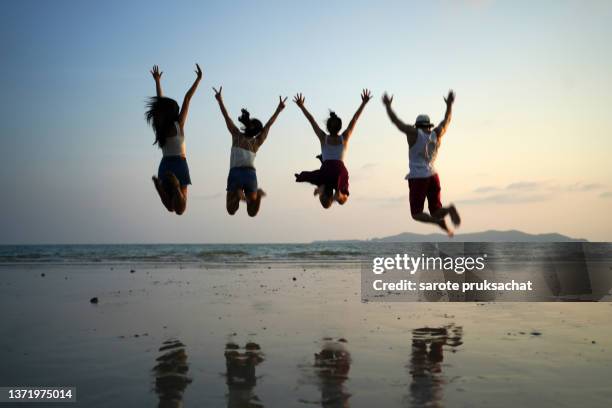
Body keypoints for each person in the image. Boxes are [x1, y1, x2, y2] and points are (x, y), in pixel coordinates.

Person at [382, 90, 461, 236]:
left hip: (418, 177)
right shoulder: (436, 134)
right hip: (433, 176)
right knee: (436, 211)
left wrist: (387, 106)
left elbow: (396, 122)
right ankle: (448, 210)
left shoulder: (413, 134)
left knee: (416, 214)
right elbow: (447, 120)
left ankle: (437, 222)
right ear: (429, 126)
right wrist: (449, 104)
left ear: (417, 125)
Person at [213, 86, 286, 216]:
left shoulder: (237, 136)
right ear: (257, 131)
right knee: (252, 212)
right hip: (250, 175)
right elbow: (269, 125)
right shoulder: (256, 142)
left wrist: (220, 101)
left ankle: (237, 192)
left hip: (235, 173)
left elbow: (227, 117)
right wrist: (278, 110)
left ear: (247, 125)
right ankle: (254, 197)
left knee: (231, 210)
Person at [294, 89, 372, 208]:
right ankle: (339, 195)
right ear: (340, 127)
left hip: (326, 170)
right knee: (343, 198)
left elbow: (312, 120)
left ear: (327, 127)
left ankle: (322, 189)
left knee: (325, 202)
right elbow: (354, 119)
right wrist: (363, 103)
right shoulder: (344, 138)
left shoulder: (323, 137)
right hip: (340, 170)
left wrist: (301, 106)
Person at [146, 64, 202, 215]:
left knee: (171, 207)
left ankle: (160, 186)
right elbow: (188, 98)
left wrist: (157, 81)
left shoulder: (161, 128)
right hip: (179, 163)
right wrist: (198, 79)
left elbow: (160, 104)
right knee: (180, 209)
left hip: (165, 164)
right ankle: (176, 187)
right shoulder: (179, 124)